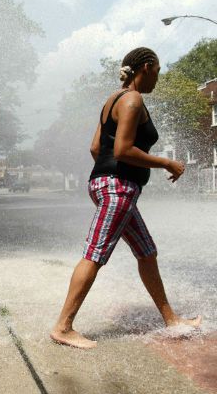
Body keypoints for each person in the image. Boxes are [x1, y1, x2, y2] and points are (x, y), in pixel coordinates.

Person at [50, 47, 201, 349]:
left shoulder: (112, 100)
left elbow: (96, 148)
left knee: (147, 251)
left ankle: (170, 318)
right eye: (157, 72)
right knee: (96, 253)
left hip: (112, 186)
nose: (157, 79)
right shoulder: (133, 100)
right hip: (118, 188)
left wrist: (104, 178)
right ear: (145, 67)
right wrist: (166, 163)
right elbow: (122, 150)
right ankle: (63, 327)